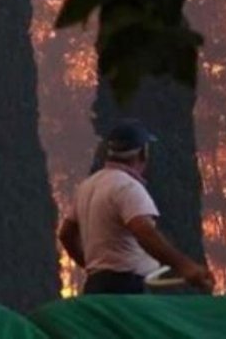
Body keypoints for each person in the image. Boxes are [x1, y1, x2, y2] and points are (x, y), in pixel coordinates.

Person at [58, 119, 214, 294]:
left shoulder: (87, 186)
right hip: (127, 287)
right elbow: (143, 231)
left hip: (96, 288)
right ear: (143, 153)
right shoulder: (128, 187)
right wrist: (185, 266)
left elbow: (66, 235)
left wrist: (94, 269)